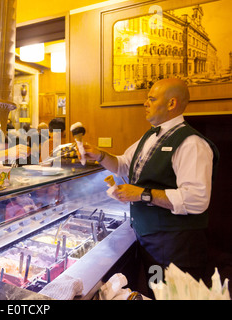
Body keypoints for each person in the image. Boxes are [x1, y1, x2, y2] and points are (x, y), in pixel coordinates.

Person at [83, 78, 219, 285]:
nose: (145, 103)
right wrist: (99, 155)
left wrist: (141, 193)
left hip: (176, 246)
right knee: (157, 290)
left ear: (171, 104)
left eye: (151, 99)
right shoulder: (149, 137)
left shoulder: (192, 143)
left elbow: (196, 200)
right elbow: (122, 165)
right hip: (151, 240)